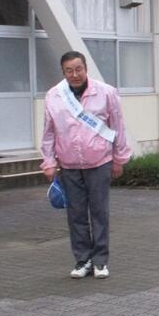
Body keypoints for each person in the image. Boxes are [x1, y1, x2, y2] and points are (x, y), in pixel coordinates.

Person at [41, 50, 132, 279]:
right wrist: (48, 161)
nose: (75, 74)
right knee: (76, 215)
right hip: (69, 164)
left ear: (85, 68)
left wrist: (120, 158)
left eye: (78, 69)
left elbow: (118, 127)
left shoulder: (106, 92)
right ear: (63, 72)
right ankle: (83, 260)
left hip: (99, 161)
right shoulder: (54, 96)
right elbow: (48, 132)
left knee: (99, 212)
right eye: (69, 71)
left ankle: (100, 261)